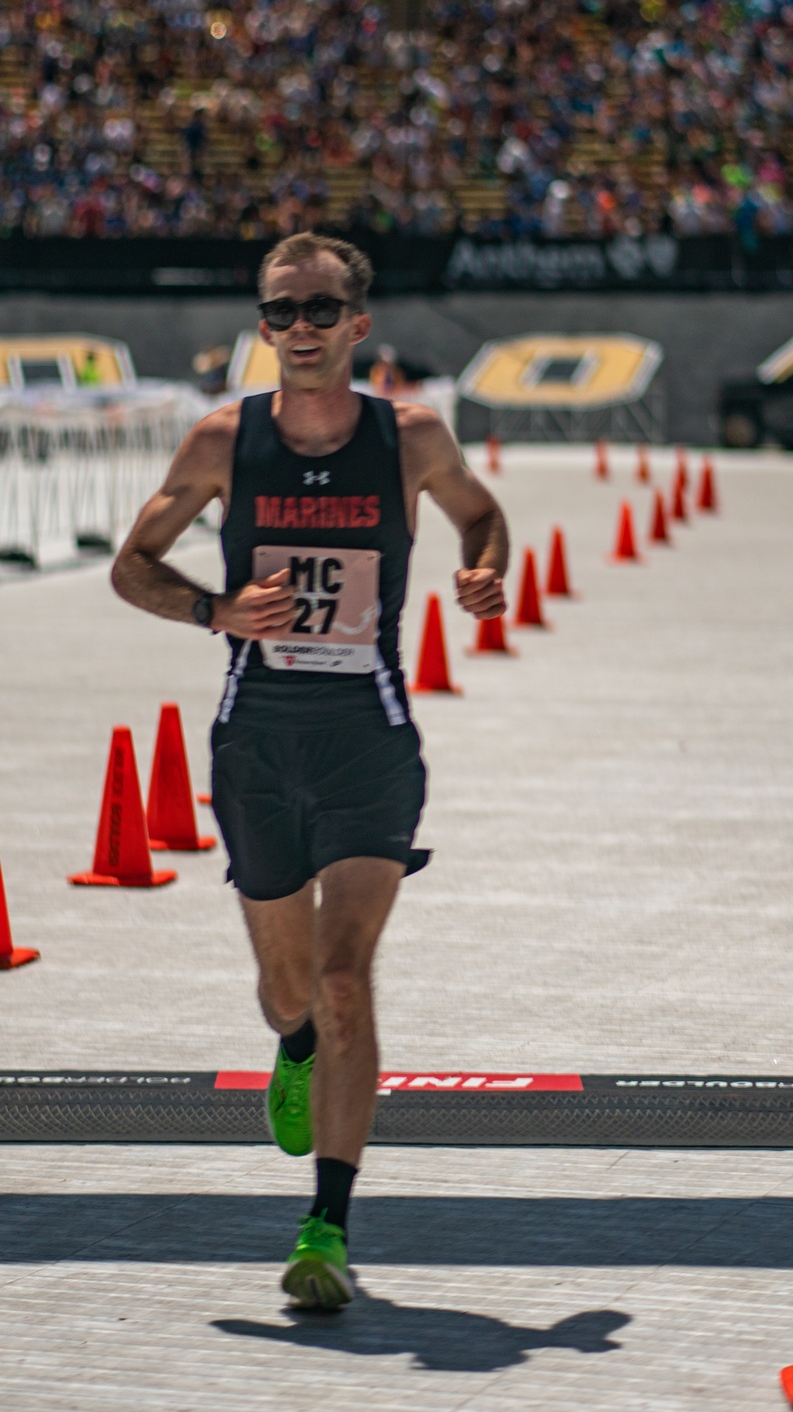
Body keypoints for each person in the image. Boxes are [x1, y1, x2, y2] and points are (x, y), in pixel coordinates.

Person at [110, 232, 508, 1309]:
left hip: (370, 741)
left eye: (321, 309)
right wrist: (214, 608)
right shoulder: (221, 439)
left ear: (358, 324)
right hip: (255, 741)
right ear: (262, 324)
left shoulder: (410, 434)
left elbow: (480, 514)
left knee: (345, 978)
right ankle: (292, 1042)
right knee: (290, 988)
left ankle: (326, 1224)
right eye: (281, 311)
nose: (300, 329)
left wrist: (483, 571)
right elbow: (129, 566)